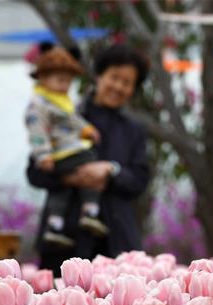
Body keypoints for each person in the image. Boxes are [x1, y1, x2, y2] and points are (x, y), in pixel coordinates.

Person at [27, 45, 150, 275]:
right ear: (99, 76)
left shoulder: (134, 130)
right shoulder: (66, 115)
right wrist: (72, 177)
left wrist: (111, 171)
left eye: (127, 82)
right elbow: (34, 172)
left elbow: (140, 179)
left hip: (117, 242)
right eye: (114, 77)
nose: (118, 87)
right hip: (65, 241)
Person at [25, 44, 108, 247]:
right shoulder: (39, 105)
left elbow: (73, 120)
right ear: (43, 78)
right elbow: (36, 132)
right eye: (59, 80)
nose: (64, 85)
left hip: (63, 154)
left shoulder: (61, 101)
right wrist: (43, 155)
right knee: (91, 164)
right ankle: (90, 209)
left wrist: (86, 129)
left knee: (61, 189)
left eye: (68, 81)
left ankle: (55, 225)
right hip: (62, 153)